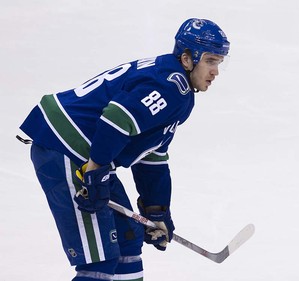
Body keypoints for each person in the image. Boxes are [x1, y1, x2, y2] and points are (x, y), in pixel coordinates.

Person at [18, 18, 230, 281]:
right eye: (210, 61)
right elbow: (115, 120)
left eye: (219, 62)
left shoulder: (180, 91)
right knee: (101, 260)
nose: (215, 71)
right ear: (187, 59)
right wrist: (94, 173)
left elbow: (152, 154)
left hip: (87, 154)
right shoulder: (168, 85)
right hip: (66, 147)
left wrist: (157, 208)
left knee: (127, 243)